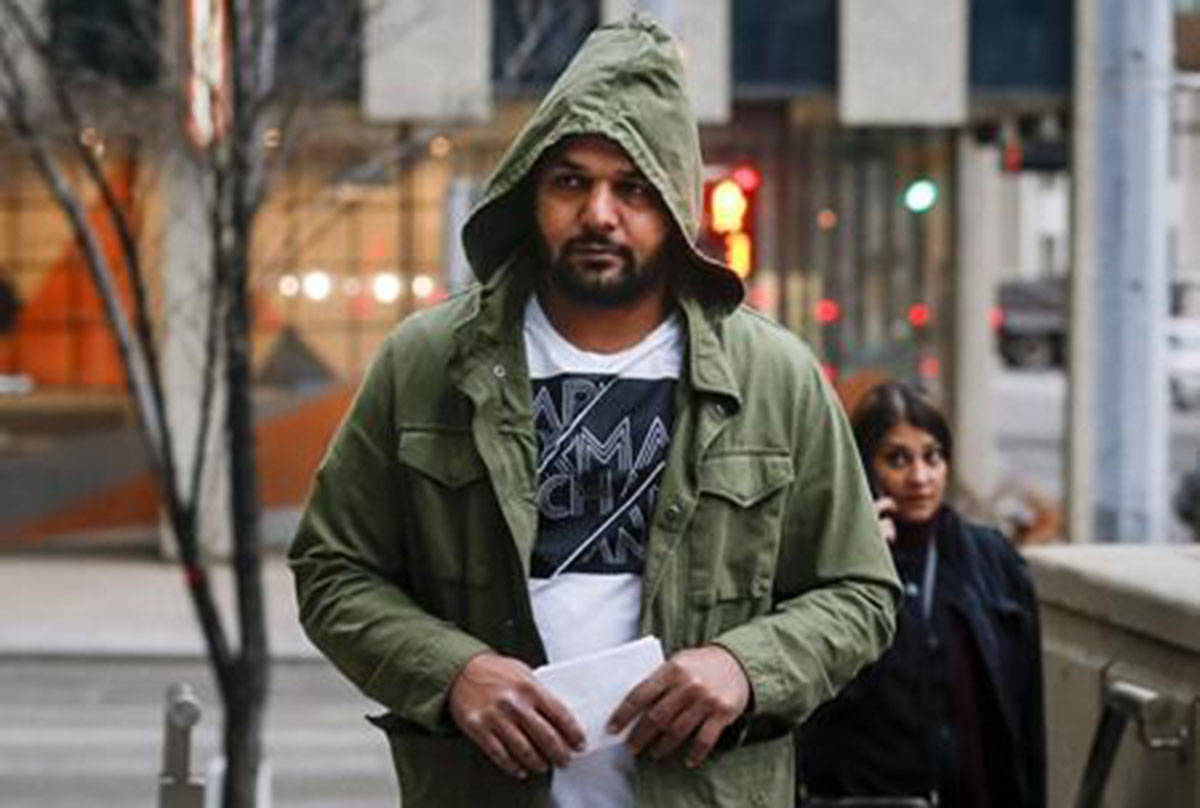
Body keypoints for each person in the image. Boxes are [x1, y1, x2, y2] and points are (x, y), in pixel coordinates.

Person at [289, 16, 899, 808]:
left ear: (677, 205)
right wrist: (451, 672)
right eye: (571, 181)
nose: (600, 213)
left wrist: (747, 667)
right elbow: (333, 569)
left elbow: (860, 591)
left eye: (633, 187)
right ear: (530, 193)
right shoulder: (428, 363)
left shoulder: (774, 376)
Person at [797, 382, 1046, 808]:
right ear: (864, 468)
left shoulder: (990, 558)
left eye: (932, 457)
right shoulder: (830, 559)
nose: (919, 477)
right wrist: (861, 554)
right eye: (897, 459)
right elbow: (815, 697)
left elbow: (1024, 712)